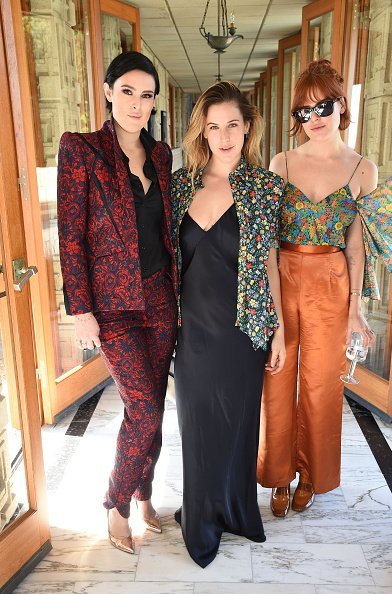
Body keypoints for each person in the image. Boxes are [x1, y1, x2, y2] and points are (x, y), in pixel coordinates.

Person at [257, 59, 392, 518]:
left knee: (322, 387)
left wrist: (356, 308)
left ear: (342, 106)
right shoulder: (281, 162)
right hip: (284, 276)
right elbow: (265, 242)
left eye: (323, 106)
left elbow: (356, 246)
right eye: (303, 112)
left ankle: (309, 477)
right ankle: (278, 477)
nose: (314, 118)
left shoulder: (363, 169)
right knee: (277, 379)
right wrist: (270, 307)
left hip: (333, 283)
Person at [57, 51, 177, 554]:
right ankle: (115, 503)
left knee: (154, 411)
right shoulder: (81, 150)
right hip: (112, 309)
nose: (136, 103)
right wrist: (80, 308)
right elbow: (71, 236)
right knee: (143, 410)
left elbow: (166, 232)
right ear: (109, 92)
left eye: (146, 95)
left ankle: (146, 494)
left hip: (161, 302)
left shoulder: (163, 156)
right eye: (127, 91)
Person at [171, 81, 286, 567]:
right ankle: (200, 516)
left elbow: (270, 261)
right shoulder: (181, 185)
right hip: (191, 329)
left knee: (239, 424)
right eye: (214, 126)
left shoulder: (266, 188)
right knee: (196, 424)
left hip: (245, 330)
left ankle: (235, 508)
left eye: (232, 125)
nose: (223, 135)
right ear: (203, 131)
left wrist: (278, 328)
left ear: (248, 128)